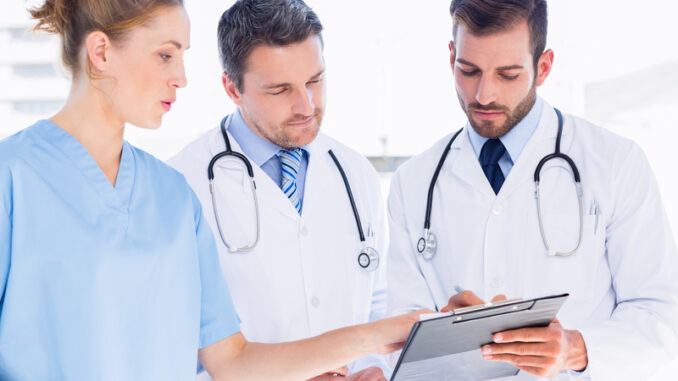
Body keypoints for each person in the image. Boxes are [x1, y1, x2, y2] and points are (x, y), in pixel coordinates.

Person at [0, 1, 424, 380]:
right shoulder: (13, 178)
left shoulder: (171, 194)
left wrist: (380, 337)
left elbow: (232, 362)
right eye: (165, 55)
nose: (182, 78)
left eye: (182, 57)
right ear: (101, 52)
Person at [386, 0, 678, 379]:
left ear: (543, 67)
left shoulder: (616, 163)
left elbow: (662, 317)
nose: (484, 95)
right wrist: (437, 331)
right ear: (451, 56)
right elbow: (397, 342)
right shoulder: (414, 183)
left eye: (507, 74)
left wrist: (576, 349)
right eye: (469, 70)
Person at [168, 1, 390, 379]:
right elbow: (170, 351)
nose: (306, 105)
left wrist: (375, 368)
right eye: (280, 89)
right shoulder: (181, 186)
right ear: (232, 88)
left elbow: (379, 305)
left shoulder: (356, 174)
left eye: (315, 80)